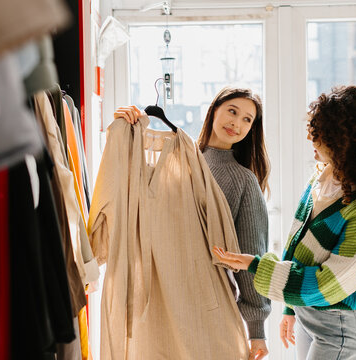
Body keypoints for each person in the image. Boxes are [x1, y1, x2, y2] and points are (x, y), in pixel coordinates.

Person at [213, 85, 356, 360]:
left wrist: (254, 265)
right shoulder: (324, 179)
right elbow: (298, 248)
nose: (310, 137)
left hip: (342, 327)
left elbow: (327, 284)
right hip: (312, 316)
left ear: (345, 140)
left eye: (320, 132)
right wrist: (290, 309)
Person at [115, 86, 272, 360]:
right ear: (214, 111)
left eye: (248, 119)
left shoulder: (243, 179)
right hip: (157, 300)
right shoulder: (175, 160)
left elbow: (250, 256)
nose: (237, 123)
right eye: (232, 111)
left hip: (208, 305)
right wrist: (124, 125)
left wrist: (256, 330)